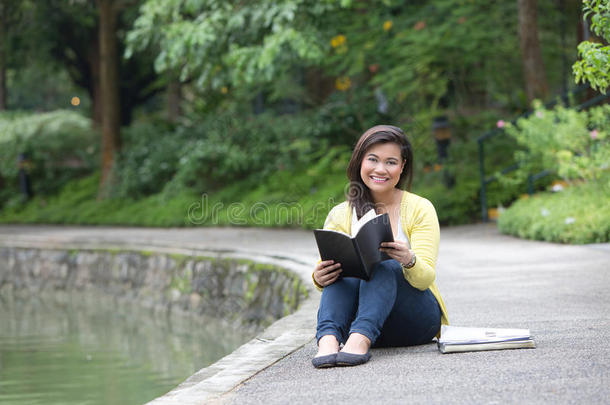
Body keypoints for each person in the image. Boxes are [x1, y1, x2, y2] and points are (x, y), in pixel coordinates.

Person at [311, 125, 449, 368]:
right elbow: (332, 281)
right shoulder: (340, 214)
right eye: (373, 159)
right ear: (359, 161)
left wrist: (408, 260)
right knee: (343, 270)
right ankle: (328, 341)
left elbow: (424, 279)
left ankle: (360, 341)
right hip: (359, 322)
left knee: (385, 265)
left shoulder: (420, 208)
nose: (380, 169)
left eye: (391, 162)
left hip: (414, 320)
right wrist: (319, 277)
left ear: (403, 166)